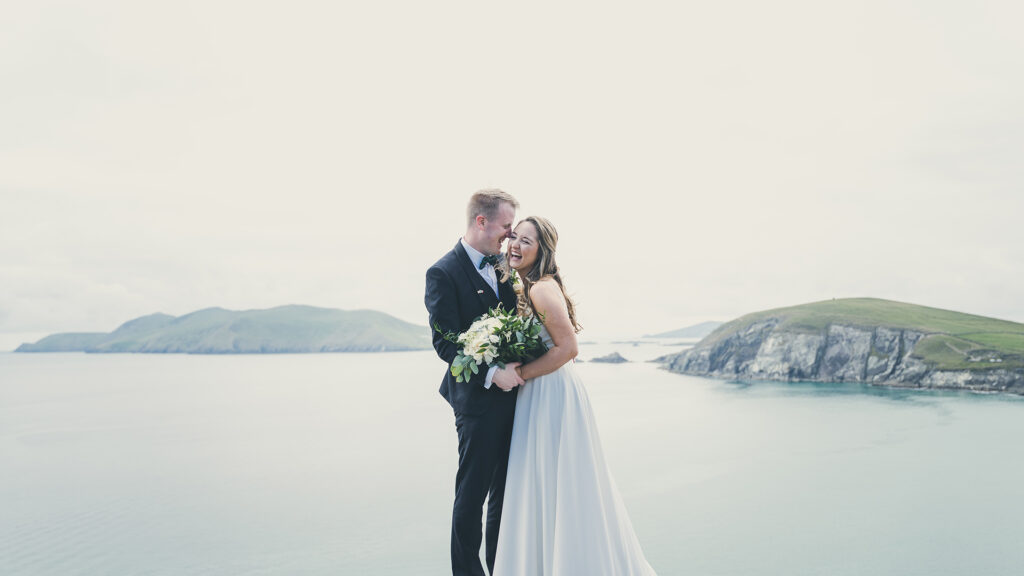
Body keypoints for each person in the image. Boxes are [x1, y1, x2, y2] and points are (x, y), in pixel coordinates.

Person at [492, 216, 657, 575]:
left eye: (526, 242)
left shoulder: (540, 289)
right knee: (550, 481)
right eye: (514, 239)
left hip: (551, 393)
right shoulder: (533, 286)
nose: (515, 247)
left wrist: (518, 374)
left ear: (543, 251)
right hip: (546, 389)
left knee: (560, 481)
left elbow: (568, 349)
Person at [424, 189, 526, 576]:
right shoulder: (442, 272)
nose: (510, 235)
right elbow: (444, 341)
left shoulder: (505, 265)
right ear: (481, 221)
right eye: (505, 226)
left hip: (516, 397)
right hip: (476, 403)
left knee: (505, 492)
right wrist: (490, 373)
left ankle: (501, 568)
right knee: (472, 494)